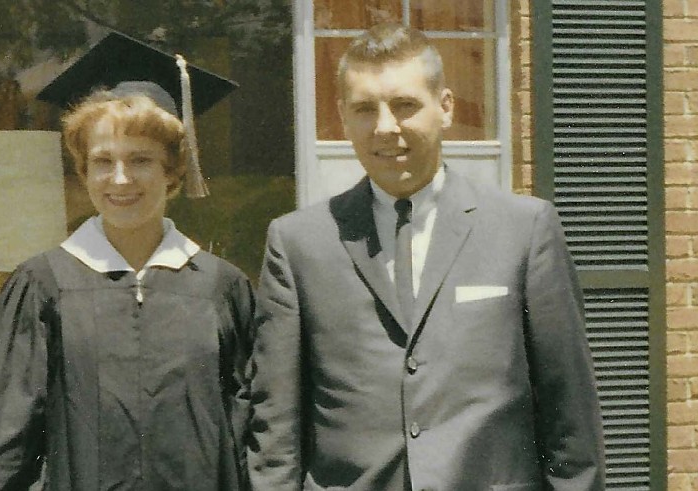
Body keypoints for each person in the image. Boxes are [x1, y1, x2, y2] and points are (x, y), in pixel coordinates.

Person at [247, 23, 605, 490]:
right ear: (341, 115)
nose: (385, 127)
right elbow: (275, 432)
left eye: (404, 105)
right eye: (364, 109)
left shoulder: (523, 230)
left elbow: (570, 416)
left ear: (446, 107)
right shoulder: (298, 244)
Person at [0, 32, 252, 490]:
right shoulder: (43, 286)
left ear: (174, 170)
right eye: (103, 161)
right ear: (83, 170)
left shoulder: (221, 289)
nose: (120, 179)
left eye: (140, 159)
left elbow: (251, 435)